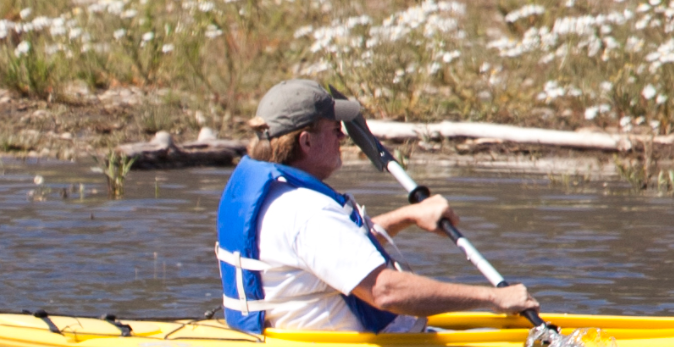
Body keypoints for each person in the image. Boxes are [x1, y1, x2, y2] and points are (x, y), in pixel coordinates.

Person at [216, 78, 538, 333]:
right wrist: (493, 297)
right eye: (334, 129)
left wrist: (409, 215)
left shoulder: (276, 195)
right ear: (306, 141)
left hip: (285, 345)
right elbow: (385, 292)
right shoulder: (309, 212)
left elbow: (334, 249)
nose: (343, 137)